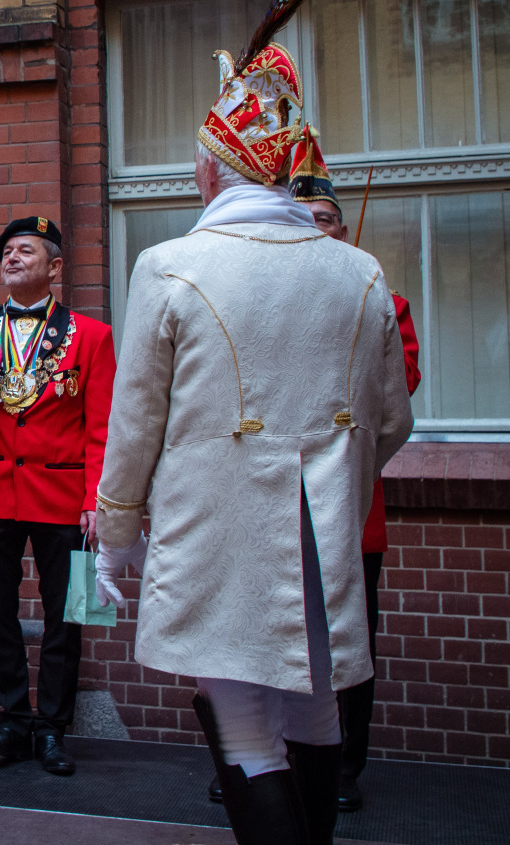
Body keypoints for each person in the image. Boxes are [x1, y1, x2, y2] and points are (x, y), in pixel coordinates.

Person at [93, 25, 414, 845]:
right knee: (313, 709)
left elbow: (137, 422)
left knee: (242, 728)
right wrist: (334, 478)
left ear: (210, 169)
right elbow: (393, 420)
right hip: (326, 533)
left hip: (219, 527)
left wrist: (118, 532)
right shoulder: (362, 271)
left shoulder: (170, 264)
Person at [0, 215, 114, 777]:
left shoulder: (92, 334)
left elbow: (103, 425)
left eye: (26, 251)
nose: (12, 258)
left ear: (54, 267)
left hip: (67, 498)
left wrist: (97, 501)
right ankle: (13, 717)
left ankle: (54, 728)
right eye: (6, 251)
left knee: (71, 614)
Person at [290, 125, 422, 812]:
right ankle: (259, 765)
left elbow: (398, 392)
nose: (314, 231)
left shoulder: (383, 302)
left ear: (344, 232)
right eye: (301, 221)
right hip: (272, 501)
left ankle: (343, 768)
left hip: (347, 498)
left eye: (324, 221)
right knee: (268, 633)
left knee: (348, 640)